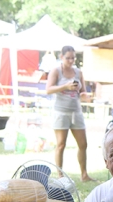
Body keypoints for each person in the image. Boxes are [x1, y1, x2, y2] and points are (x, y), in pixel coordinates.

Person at [46, 45, 94, 182]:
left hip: (76, 111)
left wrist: (85, 96)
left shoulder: (78, 73)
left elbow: (82, 91)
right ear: (61, 57)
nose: (71, 60)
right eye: (68, 58)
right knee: (61, 144)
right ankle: (60, 175)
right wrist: (65, 86)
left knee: (83, 144)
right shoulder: (56, 71)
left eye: (73, 58)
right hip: (61, 111)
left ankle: (84, 174)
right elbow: (48, 89)